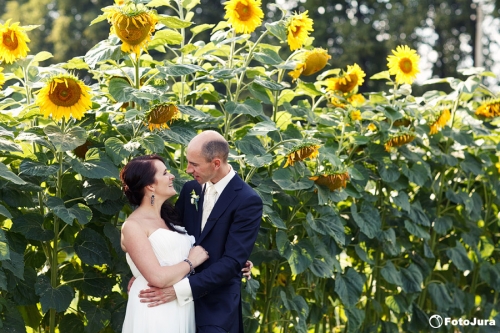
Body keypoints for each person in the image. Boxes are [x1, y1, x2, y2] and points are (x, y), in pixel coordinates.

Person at [138, 130, 263, 333]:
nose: (188, 170)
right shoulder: (190, 190)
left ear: (216, 163)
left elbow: (231, 262)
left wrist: (178, 291)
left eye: (194, 164)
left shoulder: (248, 201)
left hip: (215, 308)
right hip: (172, 306)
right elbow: (168, 232)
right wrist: (144, 270)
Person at [119, 155, 210, 332]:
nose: (172, 176)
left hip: (180, 305)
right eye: (165, 173)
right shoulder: (133, 225)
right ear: (150, 185)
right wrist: (192, 261)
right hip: (154, 308)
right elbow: (158, 278)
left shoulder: (171, 218)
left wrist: (237, 262)